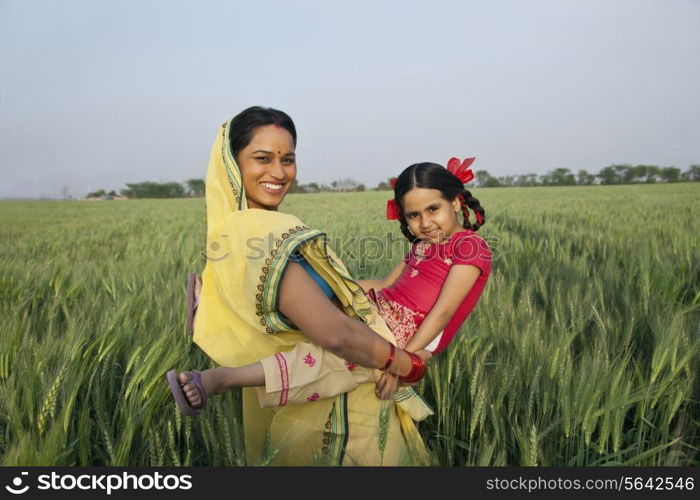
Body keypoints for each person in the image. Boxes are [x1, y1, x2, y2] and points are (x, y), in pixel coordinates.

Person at [171, 106, 430, 466]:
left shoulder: (233, 231)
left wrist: (423, 257)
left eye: (288, 159)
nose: (278, 172)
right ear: (233, 164)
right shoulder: (260, 234)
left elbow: (333, 296)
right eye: (262, 158)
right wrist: (406, 363)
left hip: (299, 409)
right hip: (338, 425)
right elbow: (335, 333)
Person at [170, 148, 491, 427]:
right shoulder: (423, 245)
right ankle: (215, 304)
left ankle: (221, 378)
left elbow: (444, 311)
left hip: (397, 335)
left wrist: (401, 361)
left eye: (433, 209)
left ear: (454, 201)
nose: (425, 223)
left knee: (322, 360)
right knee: (301, 299)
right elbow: (385, 284)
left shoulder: (470, 246)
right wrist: (342, 288)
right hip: (377, 309)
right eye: (414, 215)